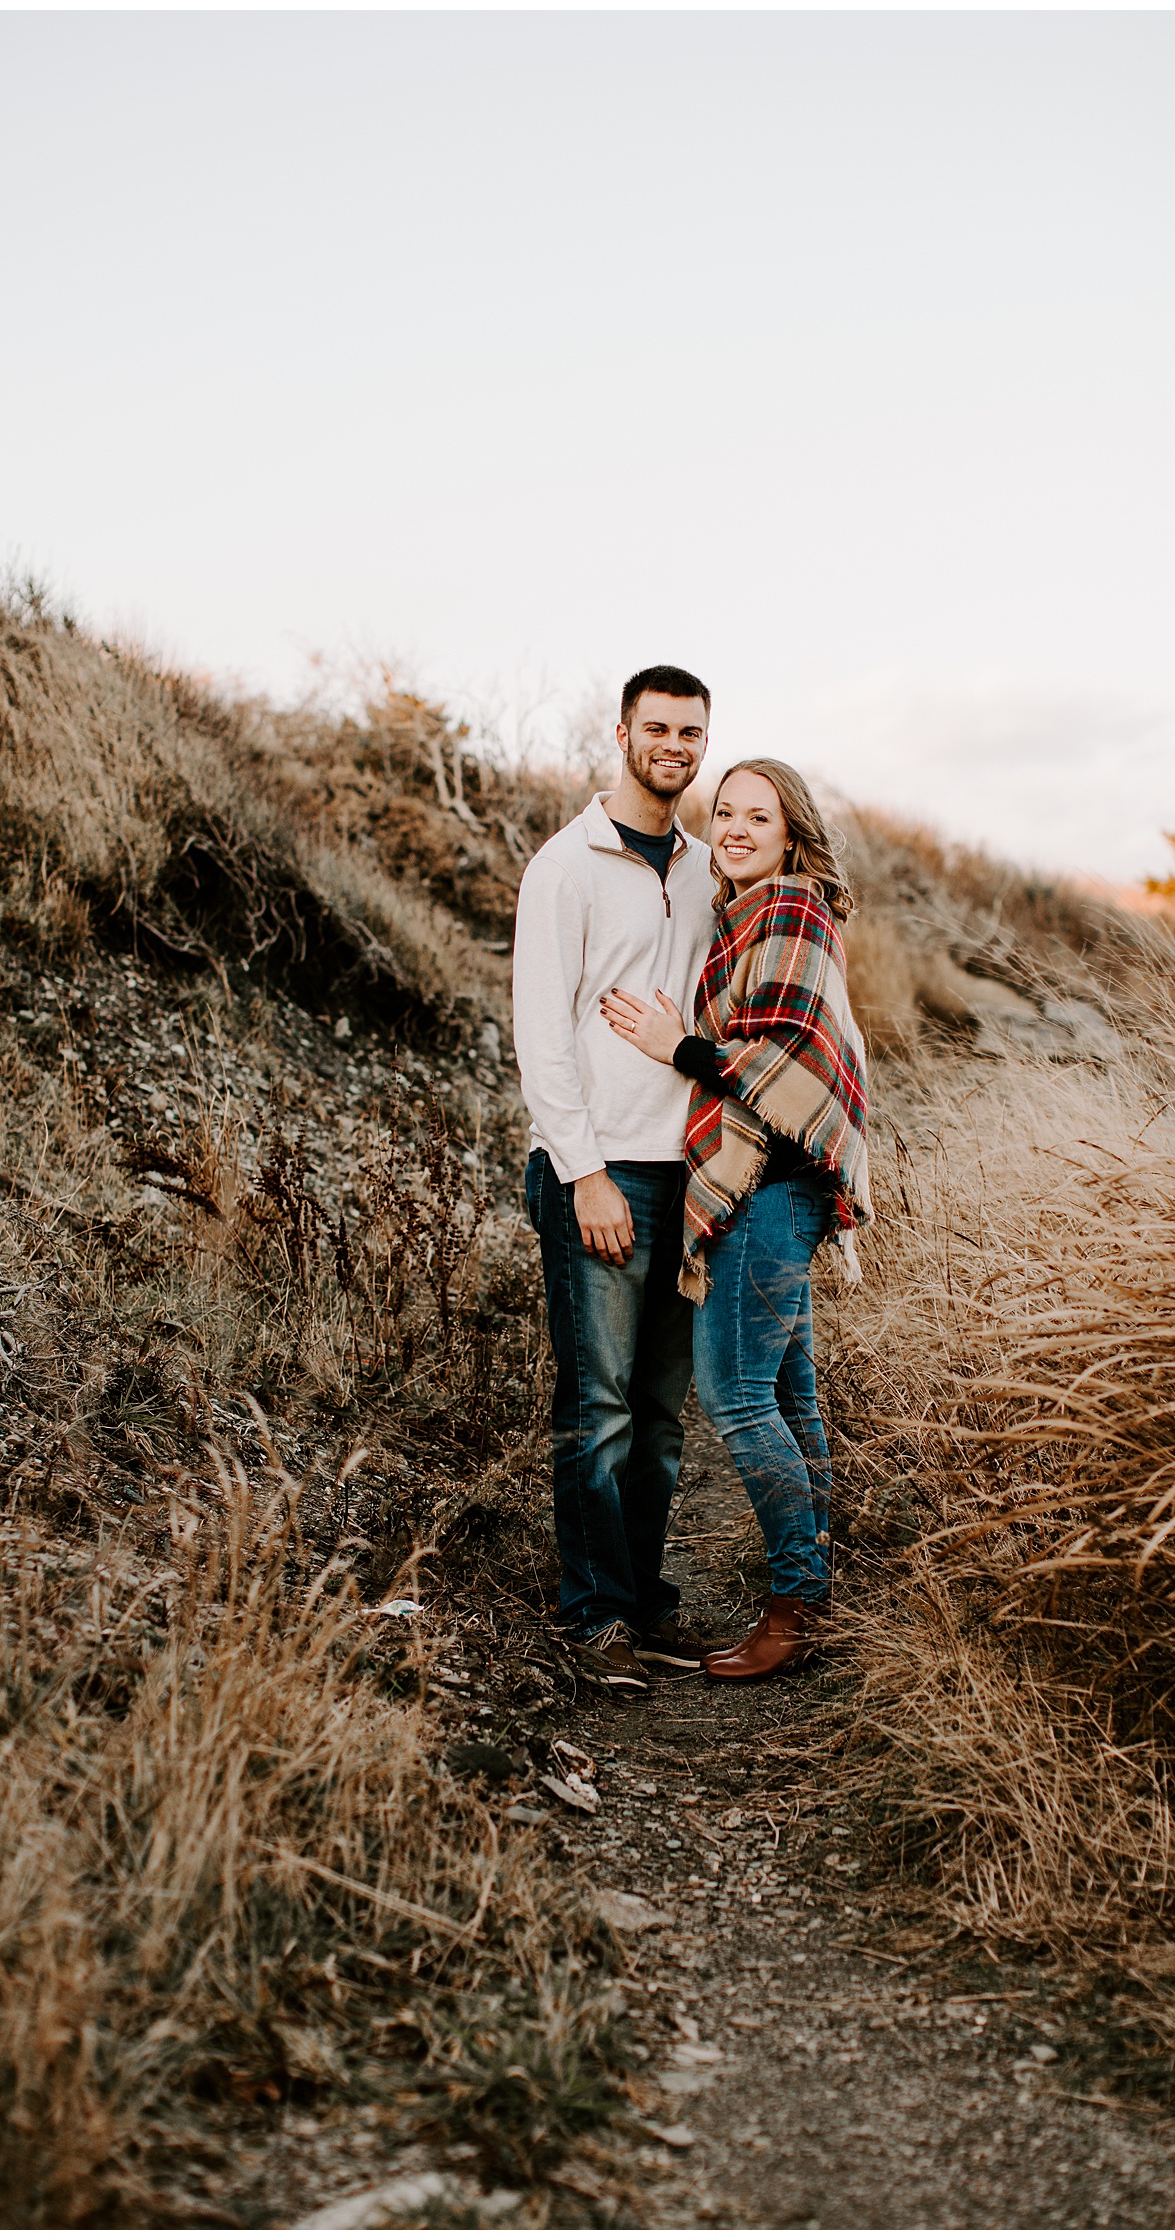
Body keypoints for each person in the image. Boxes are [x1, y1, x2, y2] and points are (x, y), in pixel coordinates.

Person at [600, 759, 873, 1681]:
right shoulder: (744, 914)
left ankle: (796, 1607)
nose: (740, 829)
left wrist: (672, 1044)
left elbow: (784, 1048)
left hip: (769, 1182)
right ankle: (813, 1595)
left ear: (792, 830)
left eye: (761, 815)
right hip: (779, 1184)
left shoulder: (790, 908)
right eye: (726, 814)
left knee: (736, 1396)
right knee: (791, 1398)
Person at [512, 665, 719, 1692]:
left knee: (662, 1411)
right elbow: (541, 1035)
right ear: (624, 732)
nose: (676, 746)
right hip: (602, 1176)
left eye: (692, 731)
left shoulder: (704, 867)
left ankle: (641, 1600)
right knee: (597, 1407)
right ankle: (595, 1619)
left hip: (691, 1179)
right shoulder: (567, 866)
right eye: (659, 728)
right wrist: (584, 1172)